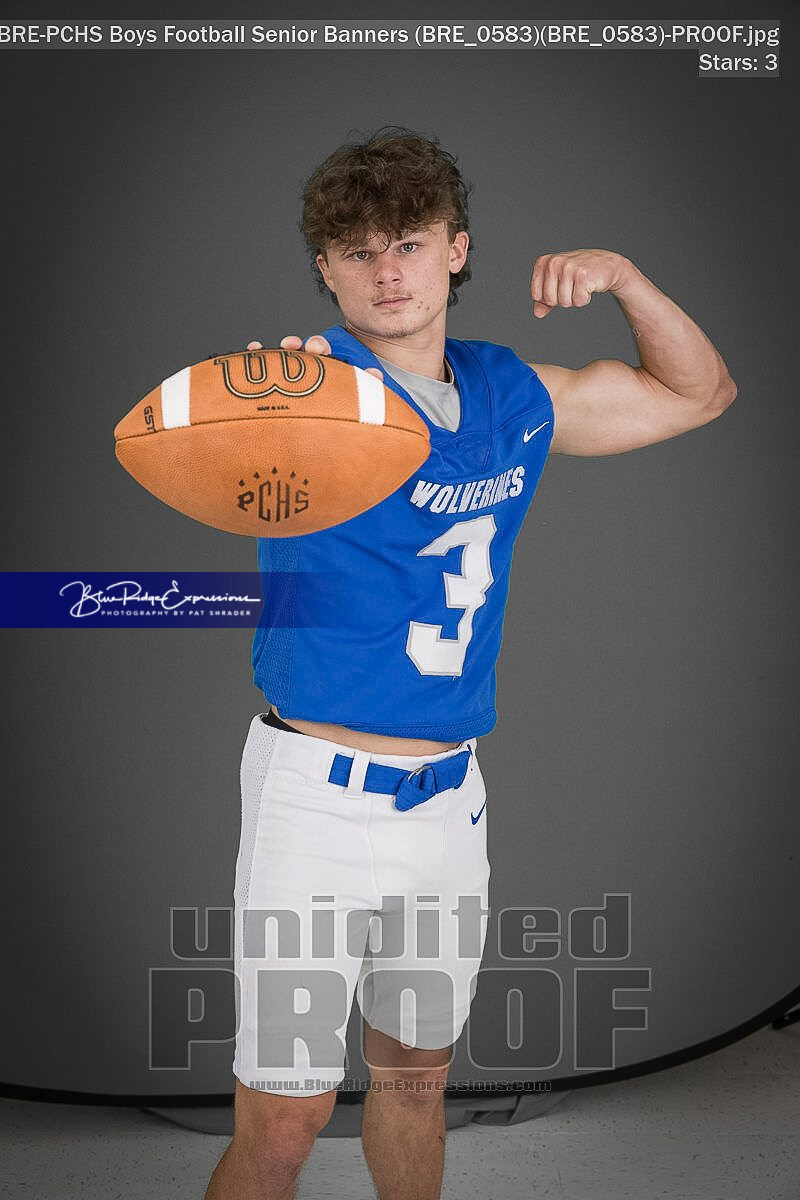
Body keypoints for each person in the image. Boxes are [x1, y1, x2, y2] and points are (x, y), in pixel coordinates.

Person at [204, 127, 736, 1200]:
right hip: (316, 800)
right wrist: (258, 410)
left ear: (455, 250)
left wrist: (626, 279)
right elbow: (223, 451)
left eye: (408, 242)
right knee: (288, 1117)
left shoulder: (509, 392)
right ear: (325, 270)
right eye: (357, 251)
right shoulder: (305, 390)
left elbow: (700, 394)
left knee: (416, 1083)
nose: (386, 271)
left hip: (449, 802)